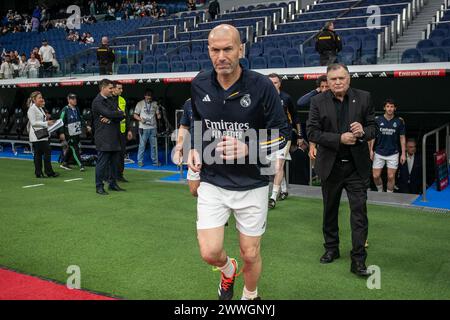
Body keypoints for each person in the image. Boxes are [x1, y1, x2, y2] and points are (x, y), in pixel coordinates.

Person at [188, 24, 289, 300]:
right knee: (209, 252)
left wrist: (249, 147)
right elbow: (197, 122)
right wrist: (194, 149)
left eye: (228, 49)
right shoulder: (199, 84)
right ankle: (227, 267)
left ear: (240, 50)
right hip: (213, 180)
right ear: (208, 51)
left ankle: (250, 295)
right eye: (215, 50)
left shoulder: (262, 86)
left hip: (253, 182)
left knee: (251, 252)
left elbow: (284, 133)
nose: (221, 55)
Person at [306, 63, 376, 277]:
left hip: (356, 167)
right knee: (330, 210)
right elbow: (311, 132)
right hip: (330, 166)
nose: (337, 82)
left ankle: (358, 260)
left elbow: (374, 128)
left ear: (349, 79)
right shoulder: (317, 101)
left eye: (341, 78)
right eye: (333, 79)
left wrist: (363, 132)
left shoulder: (364, 97)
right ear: (327, 81)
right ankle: (331, 248)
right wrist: (339, 139)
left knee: (359, 213)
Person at [267, 73, 305, 209]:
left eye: (275, 82)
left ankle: (273, 197)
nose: (273, 85)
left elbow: (295, 118)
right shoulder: (262, 99)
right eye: (270, 82)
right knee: (273, 166)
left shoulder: (286, 98)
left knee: (278, 165)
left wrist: (300, 136)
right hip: (269, 137)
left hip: (285, 135)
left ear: (280, 83)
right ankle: (284, 189)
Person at [92, 79, 126, 195]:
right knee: (102, 164)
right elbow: (112, 113)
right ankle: (99, 186)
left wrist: (112, 117)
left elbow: (122, 115)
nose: (112, 90)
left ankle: (112, 184)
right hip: (104, 138)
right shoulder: (97, 102)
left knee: (114, 163)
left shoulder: (111, 99)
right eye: (110, 88)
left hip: (114, 136)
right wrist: (115, 115)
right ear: (103, 88)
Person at [369, 99, 406, 193]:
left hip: (393, 153)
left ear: (395, 108)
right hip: (379, 151)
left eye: (392, 106)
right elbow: (373, 136)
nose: (390, 108)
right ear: (384, 108)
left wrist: (403, 154)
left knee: (391, 176)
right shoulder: (377, 120)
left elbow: (402, 137)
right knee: (375, 176)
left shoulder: (399, 121)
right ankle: (380, 192)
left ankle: (389, 195)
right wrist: (371, 150)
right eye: (388, 106)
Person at [27, 91, 59, 178]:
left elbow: (41, 120)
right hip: (37, 136)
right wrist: (46, 123)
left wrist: (48, 121)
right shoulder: (32, 109)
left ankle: (39, 172)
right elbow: (33, 123)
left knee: (38, 154)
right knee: (46, 151)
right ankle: (48, 172)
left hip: (41, 135)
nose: (42, 99)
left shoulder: (39, 108)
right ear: (34, 99)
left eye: (42, 97)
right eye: (39, 98)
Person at [297, 75, 329, 161]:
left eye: (327, 86)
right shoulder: (317, 98)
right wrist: (316, 90)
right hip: (318, 133)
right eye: (322, 87)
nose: (325, 89)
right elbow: (300, 102)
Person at [173, 98, 200, 196]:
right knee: (194, 190)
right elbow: (184, 126)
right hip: (194, 151)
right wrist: (178, 149)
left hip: (215, 151)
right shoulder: (189, 102)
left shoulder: (219, 98)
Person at [59, 93, 91, 172]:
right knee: (74, 147)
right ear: (69, 100)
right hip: (68, 133)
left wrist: (86, 126)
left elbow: (80, 118)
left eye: (75, 98)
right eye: (73, 99)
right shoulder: (65, 109)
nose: (75, 100)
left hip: (76, 132)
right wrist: (61, 133)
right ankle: (81, 165)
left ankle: (64, 162)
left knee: (71, 147)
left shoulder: (76, 108)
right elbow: (60, 122)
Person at [112, 82, 133, 182]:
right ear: (114, 89)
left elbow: (127, 116)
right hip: (112, 132)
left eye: (121, 88)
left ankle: (120, 175)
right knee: (112, 155)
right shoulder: (109, 100)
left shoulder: (122, 100)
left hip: (122, 131)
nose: (121, 90)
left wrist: (129, 130)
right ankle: (111, 176)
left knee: (121, 154)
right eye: (119, 88)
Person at [134, 89, 160, 167]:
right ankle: (140, 161)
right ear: (144, 96)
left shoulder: (155, 104)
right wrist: (141, 119)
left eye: (150, 97)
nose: (149, 99)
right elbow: (135, 115)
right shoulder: (140, 103)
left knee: (154, 145)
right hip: (143, 127)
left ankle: (155, 161)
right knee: (142, 145)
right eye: (147, 97)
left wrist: (159, 115)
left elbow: (158, 114)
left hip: (153, 127)